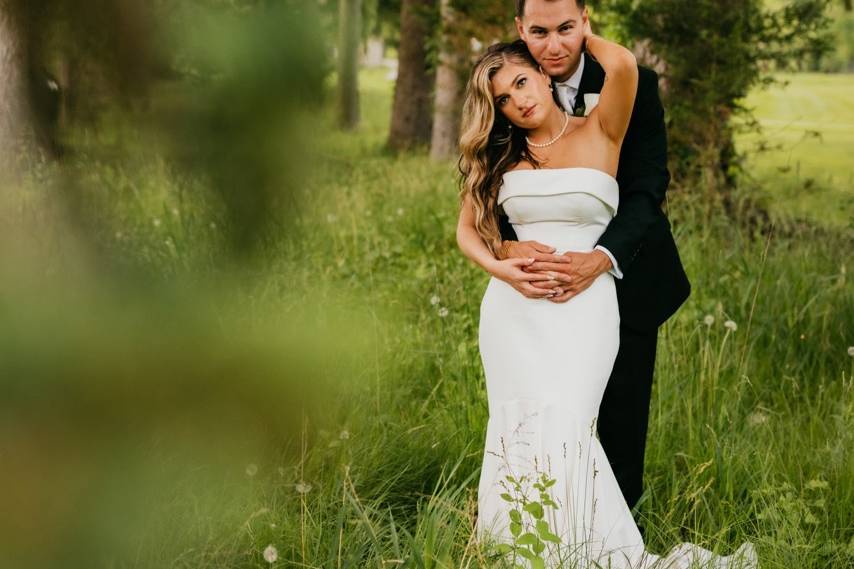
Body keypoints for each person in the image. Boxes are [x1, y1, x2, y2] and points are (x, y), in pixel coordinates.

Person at [455, 31, 756, 569]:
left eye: (523, 81)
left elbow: (623, 64)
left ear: (545, 77)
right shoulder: (500, 154)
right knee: (515, 424)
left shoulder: (602, 128)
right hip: (513, 311)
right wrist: (503, 262)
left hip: (588, 306)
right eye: (503, 97)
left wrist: (560, 33)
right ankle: (514, 549)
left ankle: (583, 551)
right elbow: (468, 233)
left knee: (568, 422)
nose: (518, 100)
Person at [499, 0, 692, 516]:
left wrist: (601, 257)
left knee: (620, 412)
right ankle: (537, 521)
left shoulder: (633, 83)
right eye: (538, 32)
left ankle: (615, 536)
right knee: (539, 411)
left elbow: (648, 188)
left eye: (566, 28)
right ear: (521, 29)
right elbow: (489, 186)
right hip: (534, 293)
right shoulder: (508, 88)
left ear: (586, 21)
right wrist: (506, 245)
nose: (554, 45)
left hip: (624, 273)